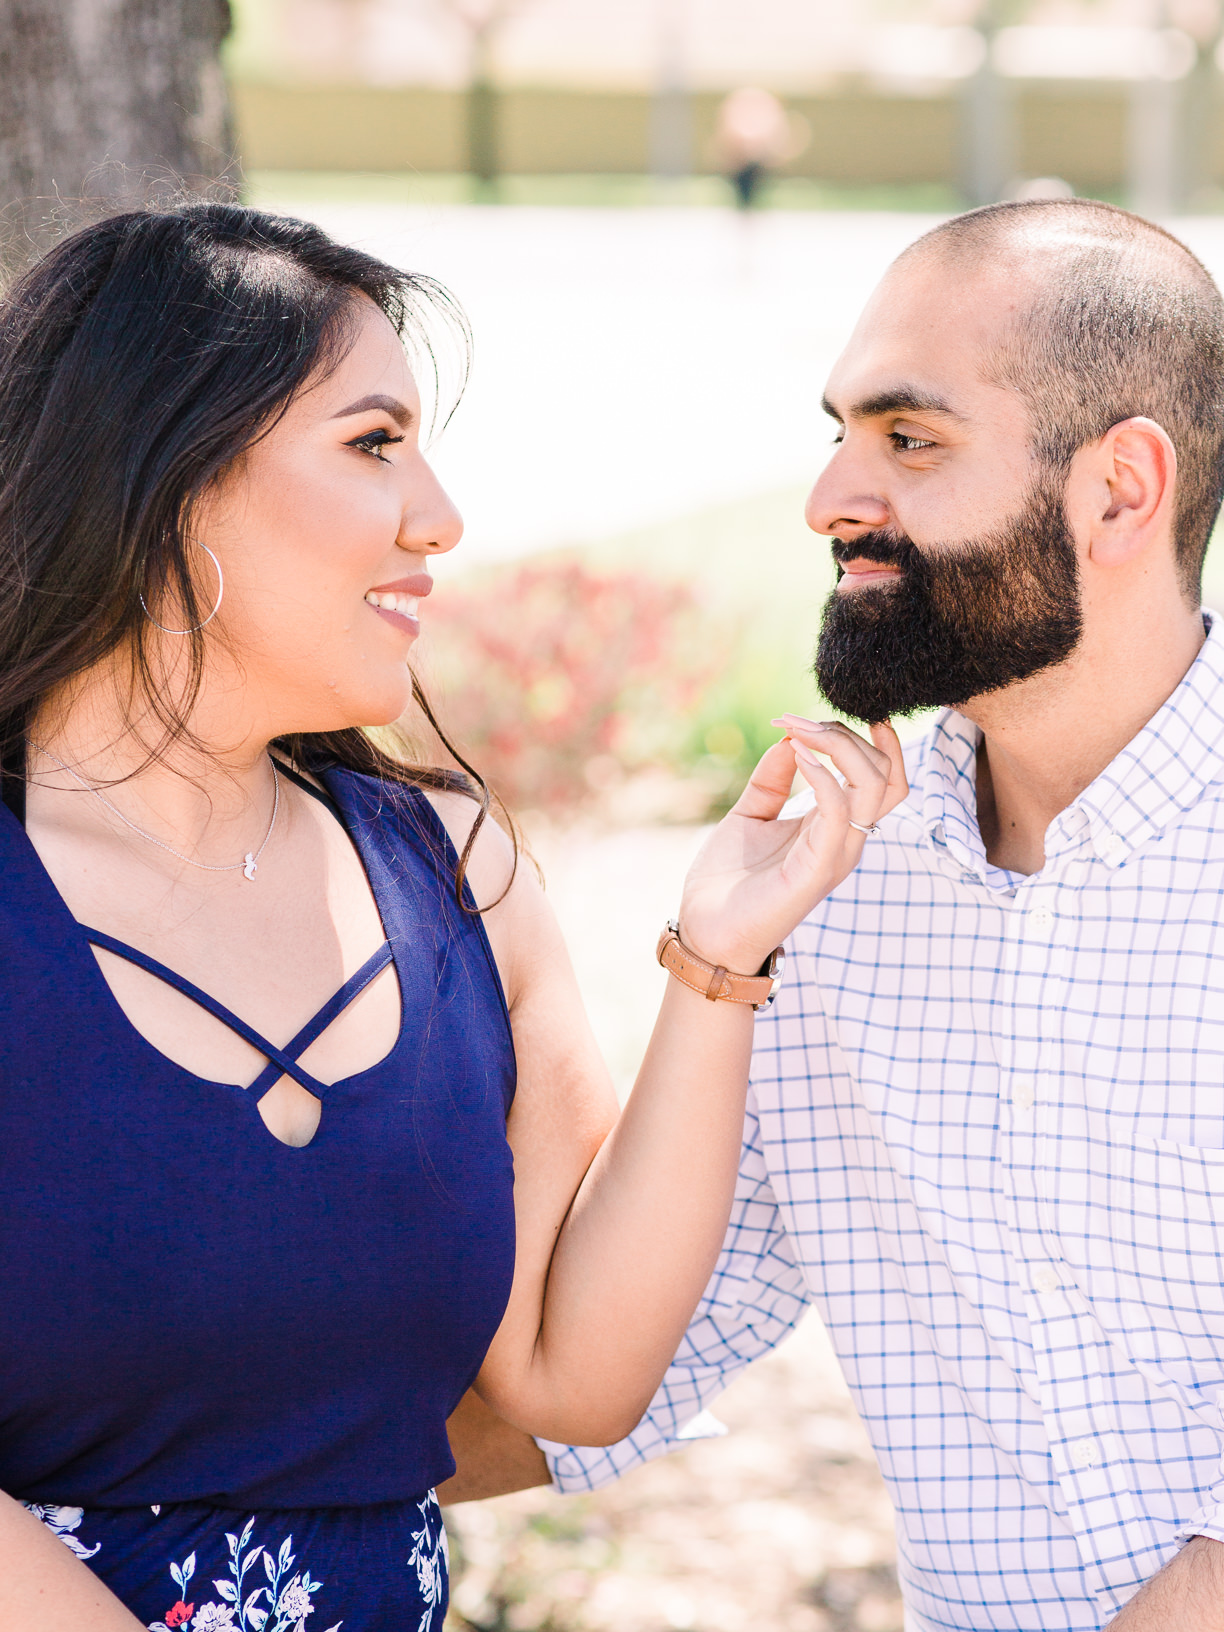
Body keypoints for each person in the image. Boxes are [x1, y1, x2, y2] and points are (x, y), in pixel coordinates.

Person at [0, 203, 906, 1630]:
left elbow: (572, 1372)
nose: (441, 516)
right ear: (165, 478)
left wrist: (718, 959)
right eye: (373, 444)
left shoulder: (455, 873)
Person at [460, 198, 1224, 1632]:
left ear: (1122, 490)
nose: (827, 500)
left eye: (908, 440)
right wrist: (159, 1474)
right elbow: (607, 1367)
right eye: (838, 433)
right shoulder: (839, 889)